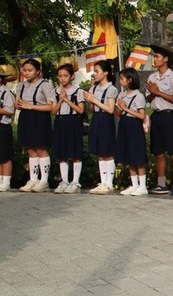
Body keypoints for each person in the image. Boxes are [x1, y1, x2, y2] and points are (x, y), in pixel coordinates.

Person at [15, 58, 56, 192]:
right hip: (25, 117)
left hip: (39, 117)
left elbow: (51, 106)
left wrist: (31, 106)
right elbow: (17, 103)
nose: (26, 73)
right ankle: (33, 179)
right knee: (30, 149)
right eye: (25, 70)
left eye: (30, 70)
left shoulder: (45, 85)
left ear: (38, 71)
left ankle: (44, 181)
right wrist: (19, 104)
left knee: (41, 148)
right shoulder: (21, 85)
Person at [145, 45, 173, 195]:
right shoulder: (152, 77)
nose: (155, 59)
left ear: (165, 59)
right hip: (156, 114)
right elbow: (148, 97)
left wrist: (158, 92)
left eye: (158, 56)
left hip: (169, 115)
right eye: (154, 56)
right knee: (158, 152)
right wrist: (153, 93)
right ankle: (161, 183)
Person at [84, 61, 118, 194]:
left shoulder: (111, 89)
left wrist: (94, 100)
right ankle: (102, 182)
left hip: (106, 120)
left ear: (106, 73)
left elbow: (110, 109)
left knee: (107, 151)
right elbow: (92, 109)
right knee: (99, 152)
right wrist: (89, 101)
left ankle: (109, 183)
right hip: (96, 119)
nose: (95, 74)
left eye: (97, 71)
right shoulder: (94, 88)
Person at [52, 62, 86, 194]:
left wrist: (67, 100)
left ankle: (75, 181)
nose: (62, 78)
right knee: (62, 153)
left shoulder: (78, 91)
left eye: (65, 76)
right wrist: (61, 100)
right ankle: (64, 181)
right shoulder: (55, 91)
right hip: (60, 121)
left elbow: (81, 110)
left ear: (72, 76)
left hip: (73, 121)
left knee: (75, 152)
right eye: (60, 76)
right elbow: (53, 111)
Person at [115, 68, 149, 196]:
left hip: (134, 125)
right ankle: (134, 184)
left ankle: (142, 185)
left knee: (137, 155)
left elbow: (141, 115)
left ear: (130, 80)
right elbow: (118, 112)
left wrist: (125, 108)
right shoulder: (122, 95)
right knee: (129, 154)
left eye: (122, 79)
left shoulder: (138, 96)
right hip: (124, 124)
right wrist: (119, 109)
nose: (120, 81)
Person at [0, 64, 18, 192]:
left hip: (3, 126)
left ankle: (6, 182)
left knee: (5, 155)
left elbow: (10, 110)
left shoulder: (6, 92)